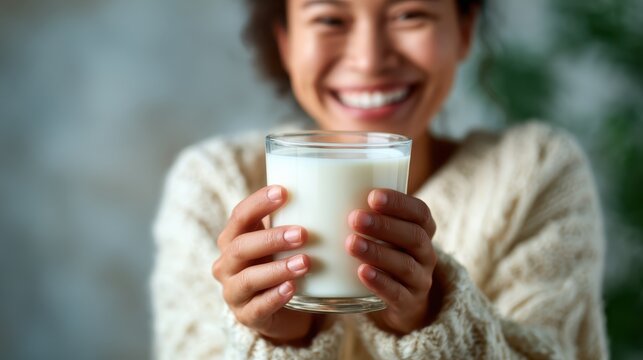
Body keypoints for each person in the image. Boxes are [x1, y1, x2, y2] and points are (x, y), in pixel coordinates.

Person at [151, 0, 608, 358]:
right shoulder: (213, 183)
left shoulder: (535, 173)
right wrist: (279, 343)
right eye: (330, 18)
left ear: (464, 30)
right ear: (287, 42)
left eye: (410, 13)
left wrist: (431, 320)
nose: (369, 60)